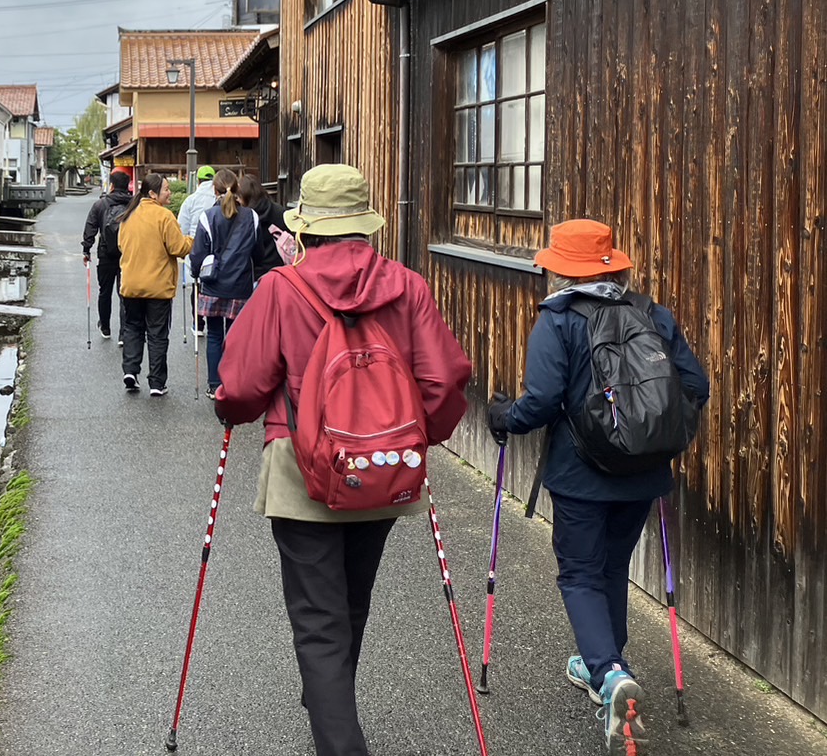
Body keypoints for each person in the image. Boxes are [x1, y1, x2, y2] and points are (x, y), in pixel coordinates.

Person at [214, 164, 471, 756]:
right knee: (353, 599)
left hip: (302, 469)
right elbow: (446, 379)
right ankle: (328, 698)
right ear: (365, 226)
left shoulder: (282, 287)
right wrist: (411, 441)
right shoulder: (407, 286)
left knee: (317, 616)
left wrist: (227, 409)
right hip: (383, 467)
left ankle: (337, 734)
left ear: (306, 228)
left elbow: (245, 385)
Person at [486, 219, 708, 755]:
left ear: (560, 270)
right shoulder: (651, 314)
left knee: (581, 572)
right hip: (642, 474)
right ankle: (602, 663)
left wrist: (502, 416)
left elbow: (539, 403)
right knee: (610, 567)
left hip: (580, 475)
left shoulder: (557, 321)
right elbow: (694, 386)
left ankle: (609, 673)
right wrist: (654, 439)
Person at [117, 173, 193, 397]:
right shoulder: (164, 216)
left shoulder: (128, 216)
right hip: (157, 287)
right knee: (157, 334)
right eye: (166, 189)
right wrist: (192, 240)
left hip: (131, 284)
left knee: (132, 328)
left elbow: (122, 245)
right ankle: (157, 383)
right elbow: (178, 248)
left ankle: (130, 371)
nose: (169, 193)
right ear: (153, 193)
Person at [189, 170, 260, 400]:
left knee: (214, 335)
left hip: (213, 284)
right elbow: (256, 252)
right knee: (235, 336)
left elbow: (197, 254)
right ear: (237, 188)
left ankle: (214, 384)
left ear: (215, 190)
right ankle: (234, 382)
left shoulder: (207, 217)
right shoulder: (252, 217)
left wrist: (196, 274)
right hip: (240, 285)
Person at [82, 170, 133, 340]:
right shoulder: (134, 205)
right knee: (124, 292)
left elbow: (91, 227)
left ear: (111, 185)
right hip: (128, 254)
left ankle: (105, 327)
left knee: (105, 291)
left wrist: (86, 249)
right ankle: (123, 333)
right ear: (128, 186)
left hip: (106, 253)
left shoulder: (101, 205)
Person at [178, 165, 218, 333]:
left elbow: (181, 227)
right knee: (213, 285)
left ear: (199, 181)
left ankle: (198, 324)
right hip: (216, 248)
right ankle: (214, 320)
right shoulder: (218, 199)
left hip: (195, 246)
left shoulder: (191, 200)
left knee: (197, 285)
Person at [236, 174, 292, 281]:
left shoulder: (245, 218)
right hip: (279, 271)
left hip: (253, 274)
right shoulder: (279, 211)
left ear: (244, 197)